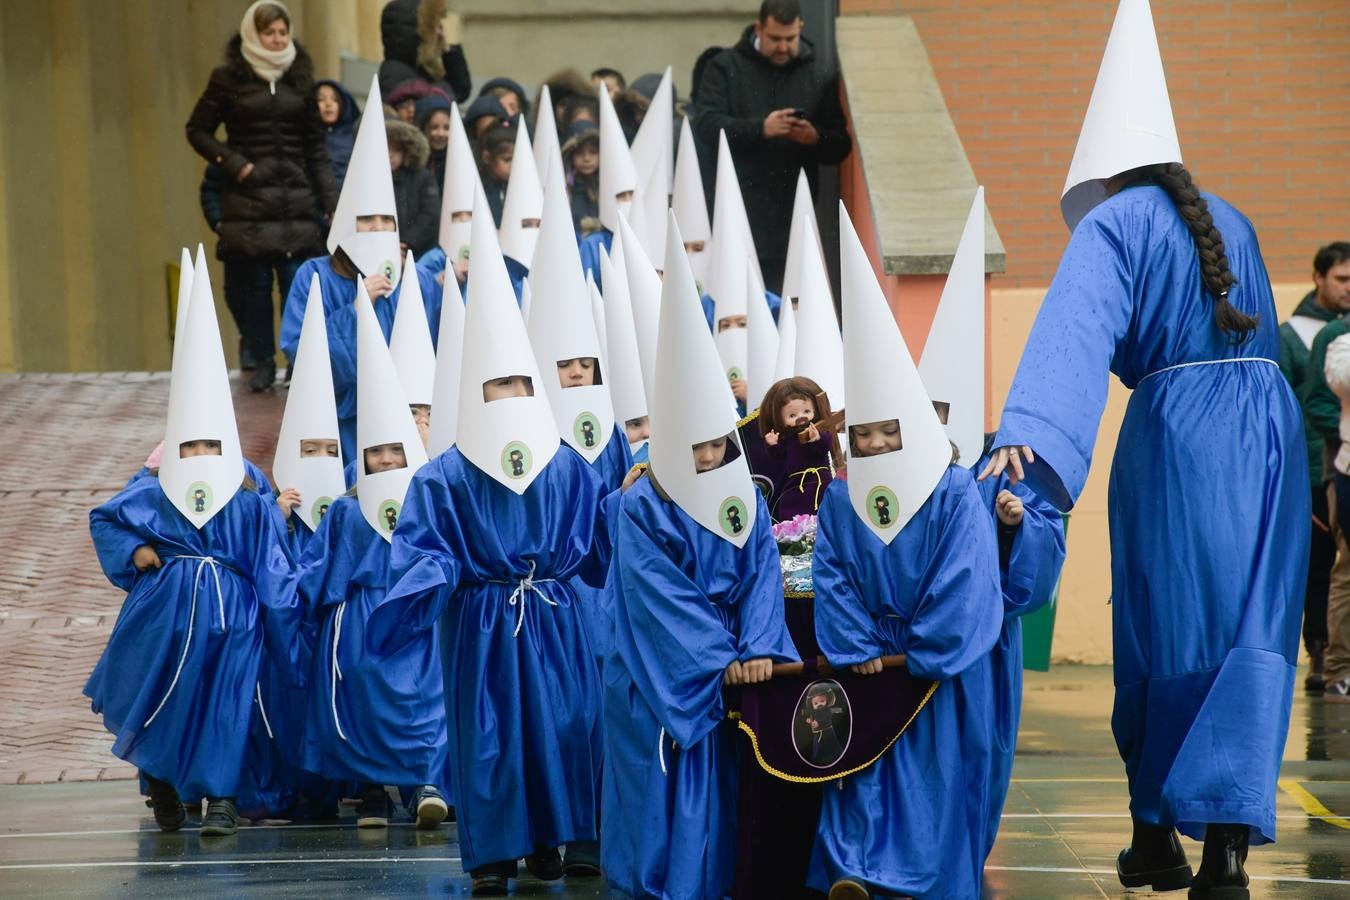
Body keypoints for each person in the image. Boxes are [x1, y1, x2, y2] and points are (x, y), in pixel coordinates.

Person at [982, 3, 1309, 895]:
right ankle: (1226, 855)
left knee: (1164, 628)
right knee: (1254, 630)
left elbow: (1073, 341)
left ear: (1101, 171)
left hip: (1181, 441)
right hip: (1270, 434)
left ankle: (1155, 836)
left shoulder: (1113, 225)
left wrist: (1027, 441)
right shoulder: (1233, 218)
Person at [369, 195, 611, 895]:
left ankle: (566, 836)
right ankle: (497, 857)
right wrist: (432, 582)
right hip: (481, 624)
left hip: (555, 616)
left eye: (520, 383)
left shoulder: (568, 465)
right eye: (497, 384)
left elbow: (598, 551)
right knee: (491, 738)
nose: (510, 395)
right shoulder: (444, 475)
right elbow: (424, 548)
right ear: (476, 392)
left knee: (567, 724)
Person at [806, 204, 1003, 900]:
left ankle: (918, 881)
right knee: (862, 775)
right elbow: (833, 574)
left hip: (932, 672)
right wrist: (856, 645)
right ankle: (857, 874)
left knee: (932, 783)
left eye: (886, 432)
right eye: (861, 436)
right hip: (871, 664)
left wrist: (920, 651)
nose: (874, 446)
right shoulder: (840, 500)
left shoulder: (953, 491)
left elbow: (965, 578)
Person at [601, 215, 797, 899]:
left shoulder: (744, 495)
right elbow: (656, 596)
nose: (710, 457)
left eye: (719, 444)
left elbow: (761, 573)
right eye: (697, 447)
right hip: (663, 671)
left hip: (728, 661)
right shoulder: (641, 506)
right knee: (660, 794)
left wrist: (759, 643)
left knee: (725, 800)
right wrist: (719, 657)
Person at [85, 250, 301, 840]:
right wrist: (136, 552)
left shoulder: (247, 491)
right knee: (165, 695)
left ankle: (222, 798)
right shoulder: (154, 487)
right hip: (167, 613)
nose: (202, 456)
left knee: (227, 704)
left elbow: (269, 562)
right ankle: (161, 781)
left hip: (234, 619)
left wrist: (286, 624)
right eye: (192, 446)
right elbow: (107, 519)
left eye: (212, 445)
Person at [186, 0, 338, 392]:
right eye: (269, 32)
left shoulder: (301, 79)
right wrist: (234, 163)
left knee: (296, 285)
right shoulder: (228, 79)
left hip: (296, 203)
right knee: (251, 290)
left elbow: (316, 149)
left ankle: (297, 359)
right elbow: (197, 130)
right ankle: (263, 360)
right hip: (248, 202)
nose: (277, 39)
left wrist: (332, 202)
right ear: (253, 34)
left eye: (283, 32)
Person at [694, 0, 851, 294]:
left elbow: (840, 145)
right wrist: (762, 129)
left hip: (794, 214)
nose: (783, 47)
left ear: (801, 28)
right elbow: (706, 125)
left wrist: (814, 137)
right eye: (775, 38)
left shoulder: (819, 72)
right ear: (759, 29)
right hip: (737, 208)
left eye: (790, 39)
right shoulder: (725, 66)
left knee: (790, 302)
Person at [1279, 242, 1350, 693]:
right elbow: (1286, 406)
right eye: (1341, 278)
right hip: (1309, 470)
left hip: (1338, 464)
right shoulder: (1292, 335)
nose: (1349, 287)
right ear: (1318, 278)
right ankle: (1320, 654)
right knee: (1319, 568)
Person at [758, 376, 841, 520]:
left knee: (823, 506)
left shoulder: (818, 431)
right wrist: (772, 445)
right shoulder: (789, 439)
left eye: (806, 411)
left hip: (818, 479)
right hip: (796, 484)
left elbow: (825, 445)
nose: (800, 417)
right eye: (792, 415)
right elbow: (779, 455)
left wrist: (817, 439)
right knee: (793, 510)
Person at [378, 0, 471, 103]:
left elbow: (459, 91)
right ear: (417, 32)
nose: (439, 32)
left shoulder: (417, 69)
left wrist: (448, 50)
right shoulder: (396, 76)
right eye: (434, 25)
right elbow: (443, 101)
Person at [386, 120, 441, 258]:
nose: (391, 155)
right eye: (386, 148)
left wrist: (407, 242)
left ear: (406, 152)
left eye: (397, 150)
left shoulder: (423, 177)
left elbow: (430, 214)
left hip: (418, 252)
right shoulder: (371, 178)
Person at [316, 79, 359, 190]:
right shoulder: (307, 136)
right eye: (321, 99)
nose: (328, 104)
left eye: (334, 99)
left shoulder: (355, 136)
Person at [562, 122, 601, 235]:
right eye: (579, 153)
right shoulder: (565, 188)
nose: (586, 159)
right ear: (570, 156)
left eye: (593, 152)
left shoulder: (609, 186)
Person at [476, 124, 515, 228]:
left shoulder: (520, 187)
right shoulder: (478, 188)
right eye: (507, 160)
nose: (513, 166)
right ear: (487, 157)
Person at [416, 91, 454, 188]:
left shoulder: (458, 161)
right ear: (422, 129)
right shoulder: (414, 162)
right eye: (434, 127)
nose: (441, 133)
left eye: (446, 128)